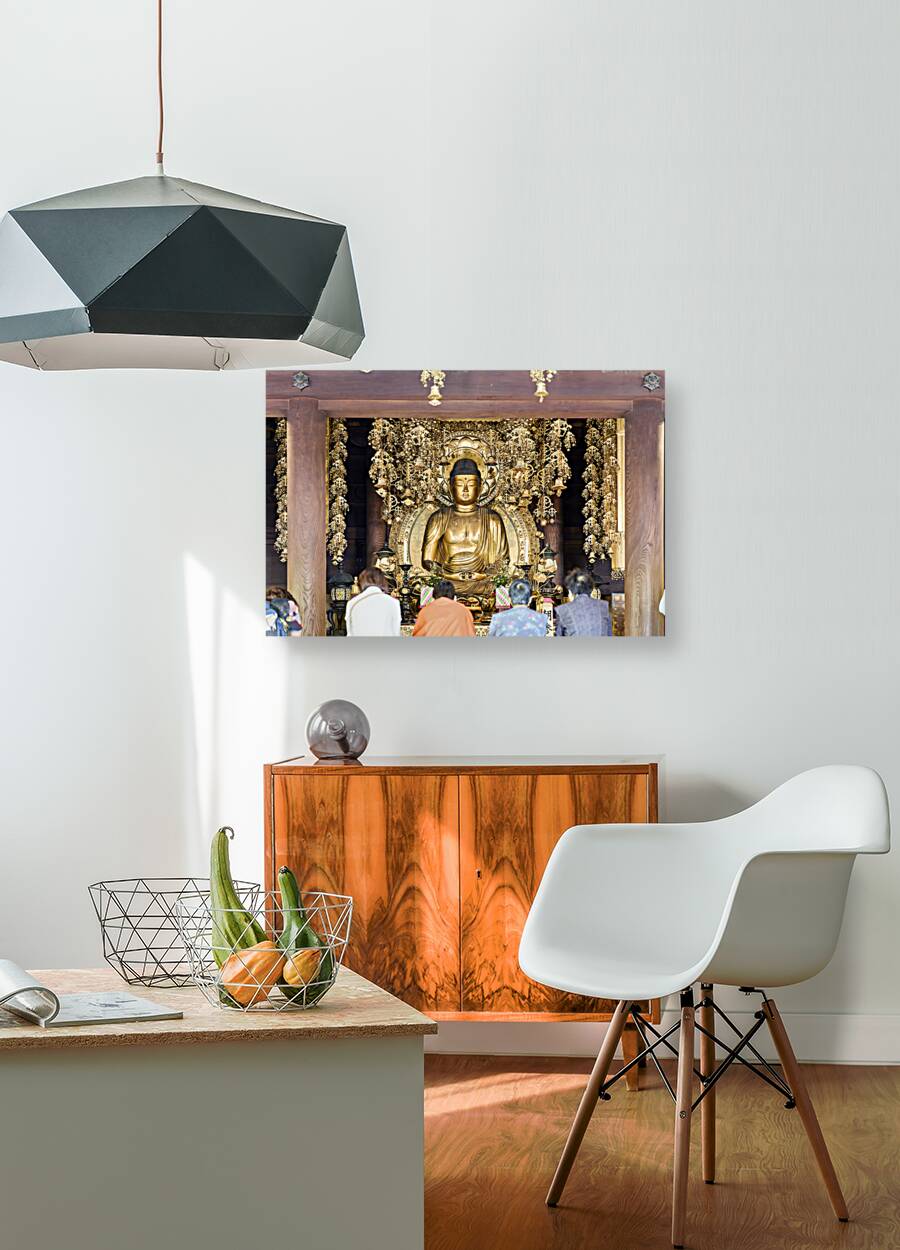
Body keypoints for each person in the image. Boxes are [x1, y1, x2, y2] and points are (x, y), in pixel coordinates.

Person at [422, 458, 509, 586]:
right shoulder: (439, 517)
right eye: (459, 484)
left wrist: (483, 575)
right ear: (451, 487)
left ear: (480, 488)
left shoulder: (492, 518)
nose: (466, 490)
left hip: (481, 582)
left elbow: (502, 560)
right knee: (435, 588)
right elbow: (427, 560)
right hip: (448, 580)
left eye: (472, 484)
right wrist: (448, 575)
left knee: (494, 589)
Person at [554, 568, 612, 637]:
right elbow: (609, 634)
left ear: (570, 591)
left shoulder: (562, 610)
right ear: (590, 589)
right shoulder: (604, 606)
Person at [345, 567, 401, 637]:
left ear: (361, 582)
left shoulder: (352, 603)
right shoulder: (393, 602)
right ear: (382, 581)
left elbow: (350, 633)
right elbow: (396, 632)